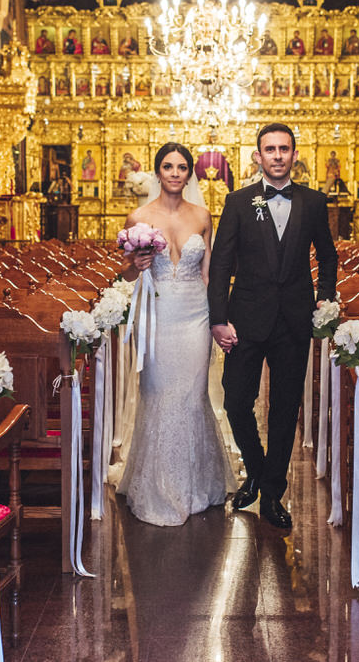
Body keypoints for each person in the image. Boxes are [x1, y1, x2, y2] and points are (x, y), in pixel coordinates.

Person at [208, 124, 338, 529]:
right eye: (270, 149)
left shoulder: (314, 202)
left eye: (284, 148)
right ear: (257, 157)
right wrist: (217, 319)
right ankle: (259, 471)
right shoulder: (238, 201)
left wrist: (325, 296)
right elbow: (221, 265)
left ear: (294, 154)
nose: (278, 155)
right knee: (234, 400)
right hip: (245, 319)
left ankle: (271, 494)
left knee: (285, 410)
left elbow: (329, 257)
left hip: (294, 322)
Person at [117, 143, 233, 526]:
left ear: (190, 174)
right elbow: (127, 275)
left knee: (192, 393)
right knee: (160, 392)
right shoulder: (139, 215)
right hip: (158, 312)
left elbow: (208, 274)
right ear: (157, 171)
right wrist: (136, 263)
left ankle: (194, 483)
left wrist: (219, 318)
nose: (175, 173)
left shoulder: (202, 215)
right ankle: (158, 486)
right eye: (168, 166)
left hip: (195, 315)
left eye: (182, 167)